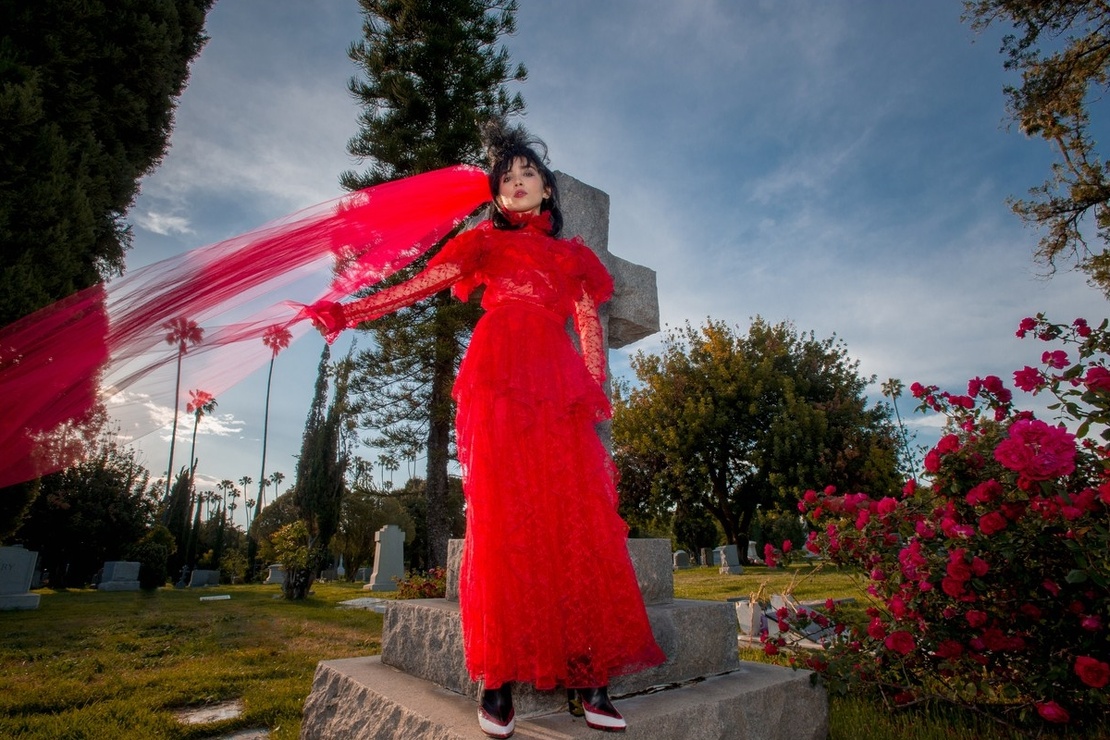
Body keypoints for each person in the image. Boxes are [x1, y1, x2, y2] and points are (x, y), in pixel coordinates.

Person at [305, 124, 665, 737]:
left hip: (556, 389)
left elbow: (588, 326)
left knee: (575, 518)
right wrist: (350, 311)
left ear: (547, 189)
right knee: (502, 518)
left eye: (528, 174)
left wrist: (592, 395)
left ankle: (589, 674)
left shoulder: (573, 258)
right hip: (496, 383)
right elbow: (418, 284)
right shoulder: (483, 244)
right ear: (496, 195)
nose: (517, 183)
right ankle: (495, 679)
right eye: (506, 178)